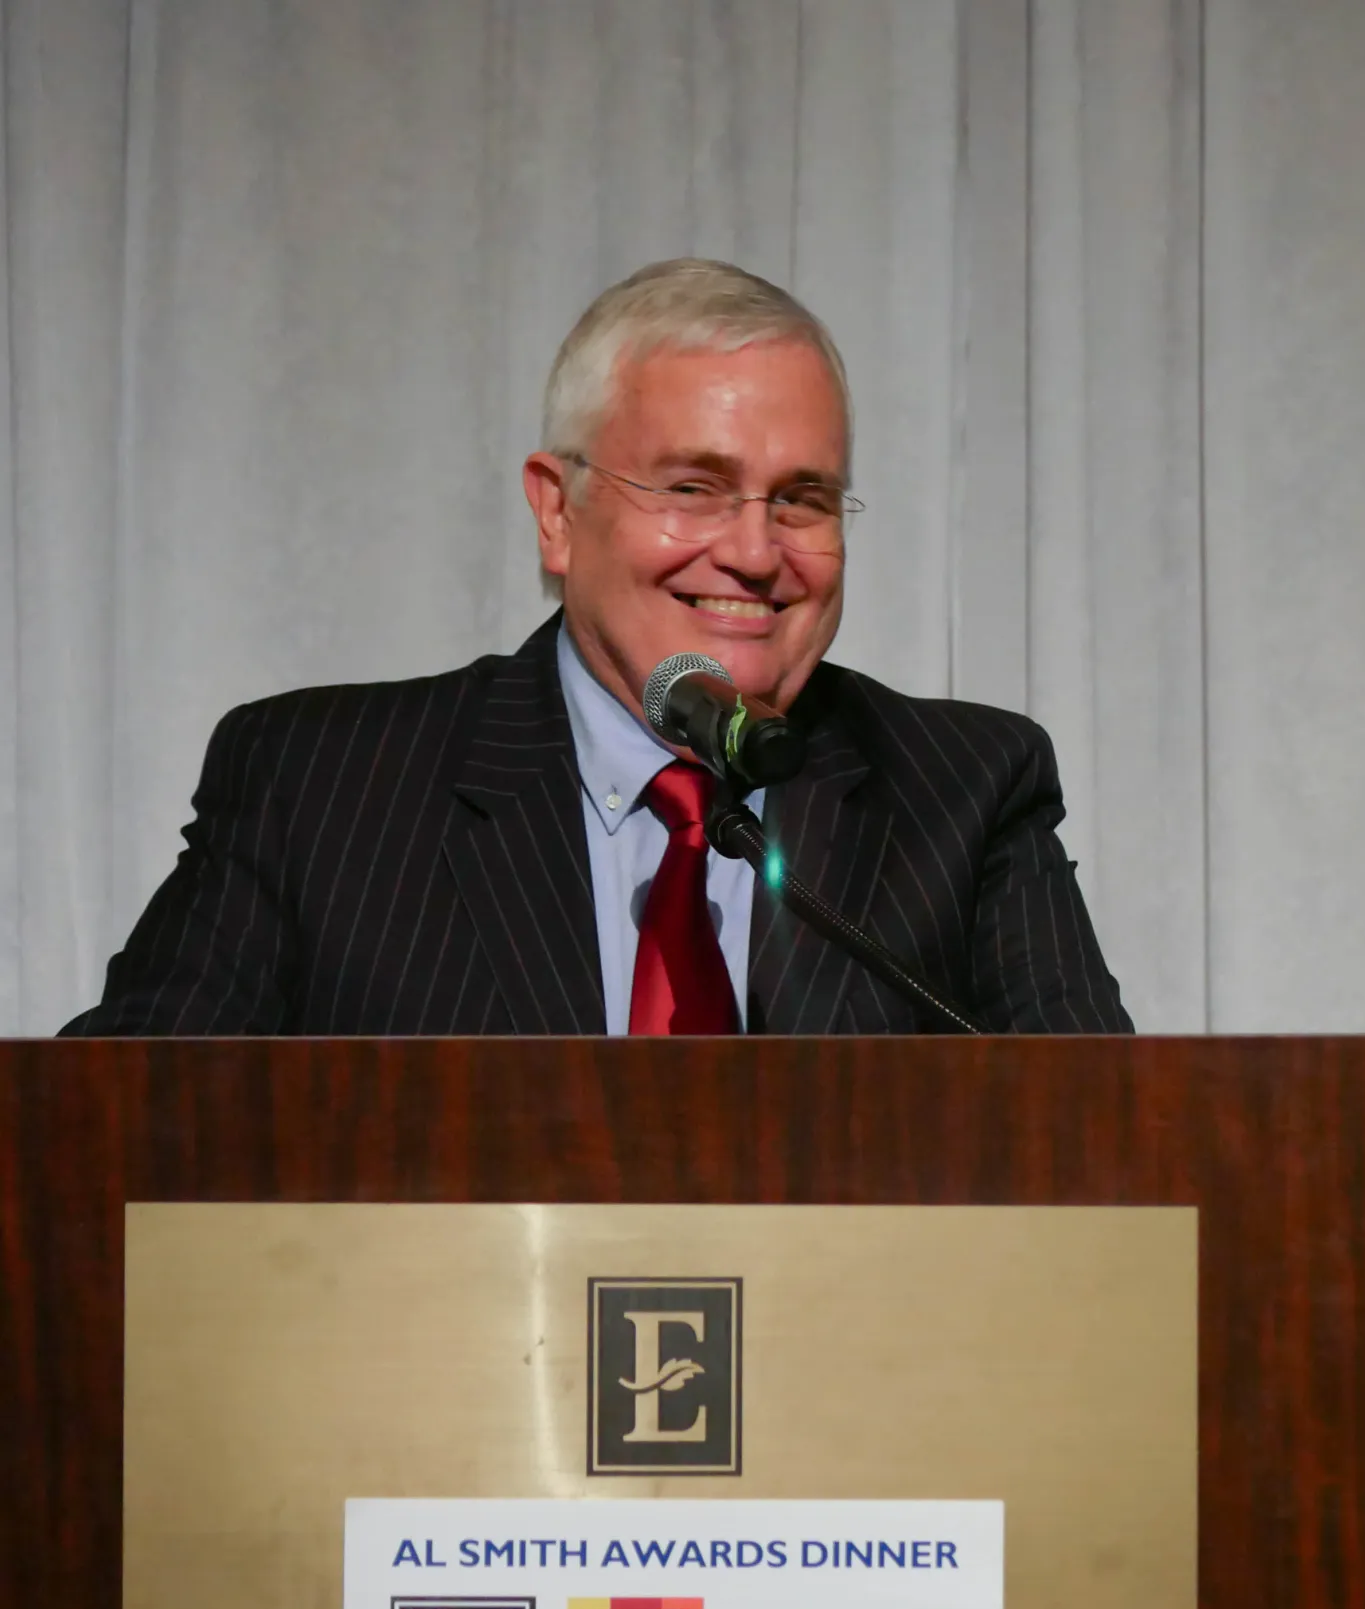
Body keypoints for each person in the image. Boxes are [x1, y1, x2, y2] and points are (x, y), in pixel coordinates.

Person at [66, 259, 1129, 1036]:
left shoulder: (964, 790)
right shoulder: (321, 783)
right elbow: (112, 1141)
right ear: (558, 510)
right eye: (691, 489)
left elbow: (1112, 1161)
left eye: (801, 500)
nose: (755, 553)